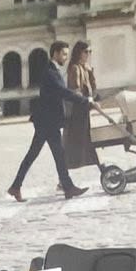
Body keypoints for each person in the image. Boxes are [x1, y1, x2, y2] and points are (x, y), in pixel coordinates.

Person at [8, 40, 89, 202]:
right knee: (42, 154)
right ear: (56, 53)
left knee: (55, 154)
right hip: (46, 121)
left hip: (48, 121)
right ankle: (66, 188)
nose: (66, 57)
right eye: (64, 54)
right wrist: (83, 100)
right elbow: (62, 91)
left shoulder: (53, 70)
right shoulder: (49, 72)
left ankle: (67, 188)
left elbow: (62, 92)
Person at [60, 39, 99, 183]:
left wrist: (91, 73)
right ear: (79, 53)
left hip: (82, 112)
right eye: (86, 51)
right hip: (76, 113)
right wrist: (88, 101)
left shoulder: (85, 68)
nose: (88, 54)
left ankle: (99, 166)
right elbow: (75, 91)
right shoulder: (75, 68)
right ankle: (63, 180)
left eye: (90, 52)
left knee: (84, 143)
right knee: (74, 145)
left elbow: (92, 90)